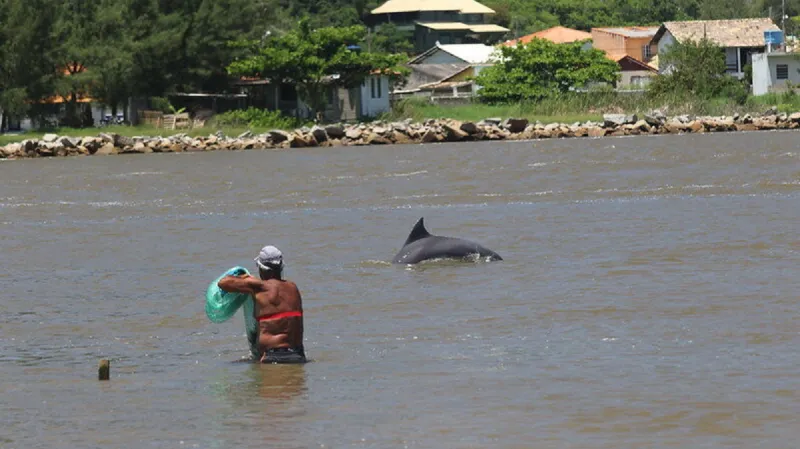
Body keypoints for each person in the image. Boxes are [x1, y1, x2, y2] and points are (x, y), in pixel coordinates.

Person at [217, 246, 306, 364]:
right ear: (281, 267)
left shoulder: (259, 287)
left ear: (262, 269)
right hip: (298, 356)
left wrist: (245, 277)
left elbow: (223, 283)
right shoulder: (293, 288)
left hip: (272, 357)